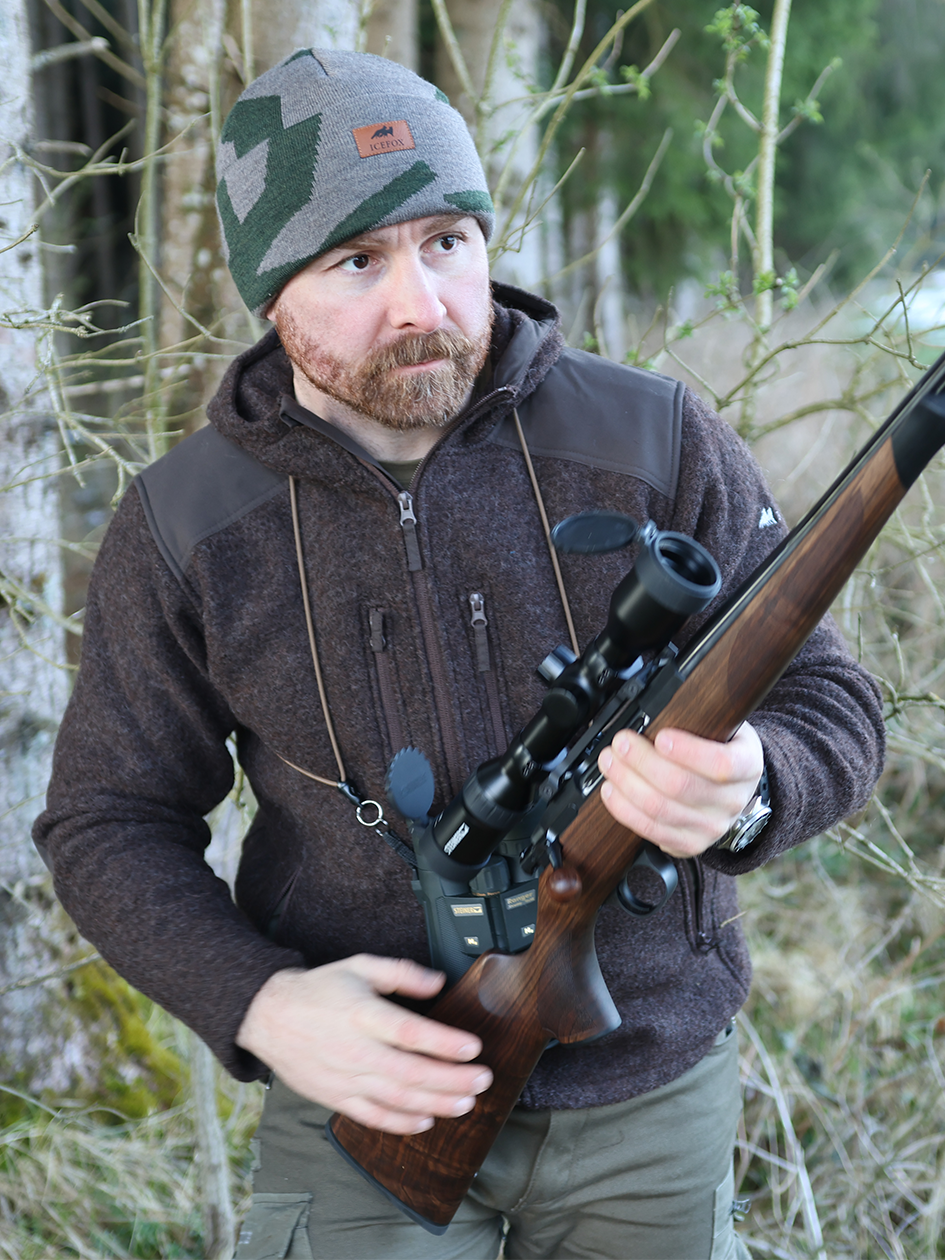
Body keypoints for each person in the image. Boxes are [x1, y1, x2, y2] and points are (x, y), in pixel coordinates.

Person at [34, 49, 884, 1260]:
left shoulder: (651, 437)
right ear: (269, 292)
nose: (423, 305)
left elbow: (831, 702)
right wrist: (261, 1004)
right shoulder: (184, 524)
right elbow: (106, 820)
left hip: (650, 1092)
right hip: (366, 1104)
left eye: (447, 241)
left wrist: (754, 785)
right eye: (356, 261)